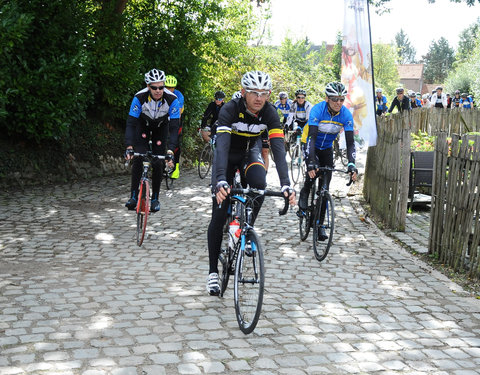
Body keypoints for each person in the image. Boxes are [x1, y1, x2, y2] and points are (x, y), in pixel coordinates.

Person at [206, 70, 296, 295]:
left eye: (264, 93)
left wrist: (286, 183)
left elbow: (277, 148)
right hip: (227, 156)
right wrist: (219, 181)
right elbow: (222, 148)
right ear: (244, 92)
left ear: (269, 94)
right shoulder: (230, 109)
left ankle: (247, 228)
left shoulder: (270, 112)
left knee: (259, 185)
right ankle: (212, 273)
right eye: (254, 93)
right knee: (219, 212)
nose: (259, 98)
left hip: (250, 153)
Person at [297, 82, 357, 240]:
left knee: (325, 188)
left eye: (341, 99)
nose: (338, 103)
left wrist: (352, 164)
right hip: (310, 143)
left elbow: (350, 143)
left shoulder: (345, 114)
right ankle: (305, 191)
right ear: (327, 98)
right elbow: (312, 137)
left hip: (327, 149)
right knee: (313, 171)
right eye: (334, 99)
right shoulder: (318, 110)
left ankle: (319, 224)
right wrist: (310, 161)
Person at [124, 68, 180, 212]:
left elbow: (174, 128)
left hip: (161, 127)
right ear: (148, 86)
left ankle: (155, 198)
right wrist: (129, 146)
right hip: (143, 125)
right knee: (138, 157)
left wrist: (170, 150)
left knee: (158, 161)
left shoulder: (172, 100)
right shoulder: (139, 97)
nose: (158, 90)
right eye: (154, 87)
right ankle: (133, 196)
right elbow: (131, 123)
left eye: (161, 87)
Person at [165, 75, 185, 179]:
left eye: (172, 87)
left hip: (176, 119)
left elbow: (179, 112)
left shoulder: (179, 95)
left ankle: (176, 167)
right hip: (163, 119)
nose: (169, 89)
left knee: (175, 144)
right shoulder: (160, 94)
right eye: (167, 87)